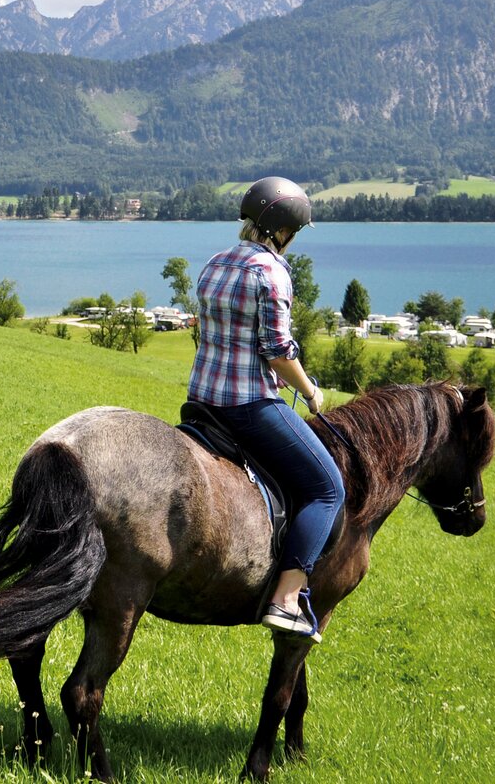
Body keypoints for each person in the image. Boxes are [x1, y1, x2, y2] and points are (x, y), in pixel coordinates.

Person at [187, 176, 345, 642]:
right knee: (327, 488)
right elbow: (277, 351)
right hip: (247, 405)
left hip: (200, 401)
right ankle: (288, 598)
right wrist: (311, 392)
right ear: (283, 231)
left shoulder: (215, 263)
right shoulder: (272, 272)